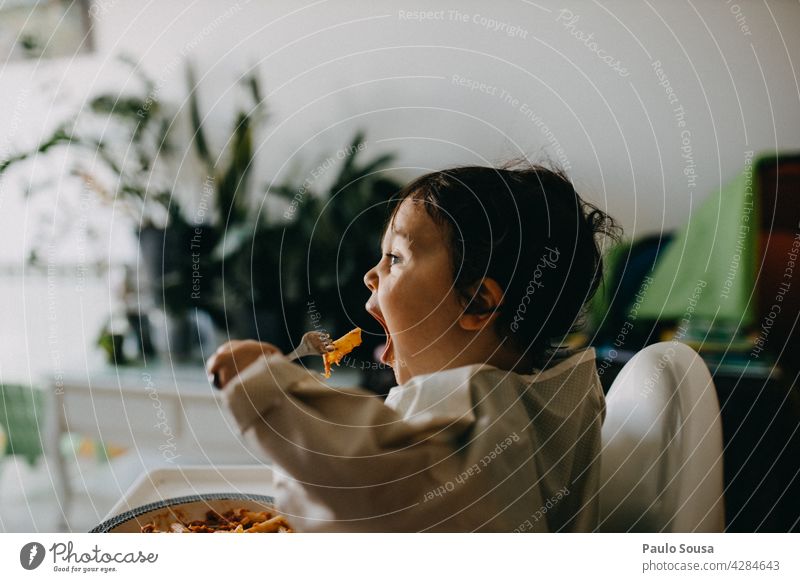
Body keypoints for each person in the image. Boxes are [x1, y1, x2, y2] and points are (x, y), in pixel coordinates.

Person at [206, 161, 620, 532]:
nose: (372, 274)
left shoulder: (474, 417)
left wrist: (271, 392)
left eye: (395, 258)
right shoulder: (560, 396)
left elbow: (373, 483)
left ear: (476, 302)